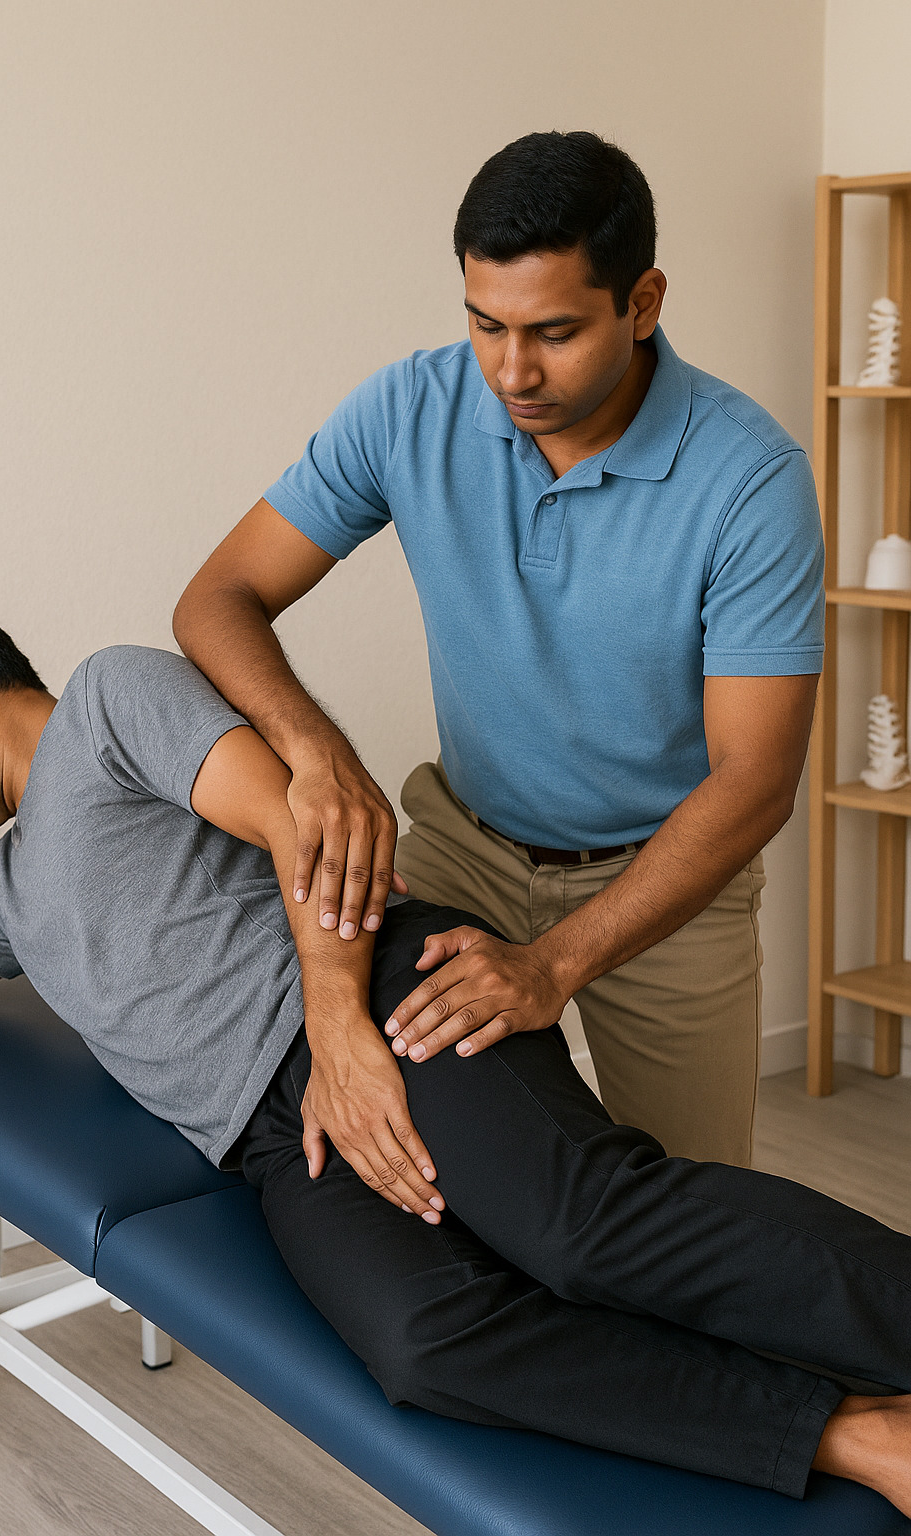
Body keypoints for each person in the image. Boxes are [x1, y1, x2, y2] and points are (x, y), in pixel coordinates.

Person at [0, 601, 909, 1514]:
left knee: (576, 1229)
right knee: (423, 1345)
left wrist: (339, 1040)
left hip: (374, 1002)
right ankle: (848, 1431)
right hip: (277, 1144)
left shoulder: (110, 701)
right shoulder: (2, 896)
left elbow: (312, 829)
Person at [173, 130, 825, 1168]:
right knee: (408, 1157)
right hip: (463, 847)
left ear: (642, 302)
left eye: (554, 332)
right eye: (486, 325)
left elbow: (754, 783)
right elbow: (219, 597)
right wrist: (317, 751)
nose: (512, 369)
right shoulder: (408, 407)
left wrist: (552, 965)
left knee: (699, 1218)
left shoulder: (749, 479)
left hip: (663, 880)